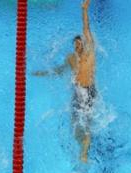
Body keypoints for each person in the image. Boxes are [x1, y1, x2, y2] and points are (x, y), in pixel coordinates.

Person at [33, 0, 96, 163]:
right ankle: (81, 145)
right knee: (75, 127)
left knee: (87, 125)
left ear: (84, 43)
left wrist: (84, 10)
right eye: (75, 44)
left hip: (88, 91)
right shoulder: (71, 58)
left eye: (79, 43)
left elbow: (86, 29)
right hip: (77, 93)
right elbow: (59, 71)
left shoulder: (89, 53)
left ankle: (84, 153)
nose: (77, 46)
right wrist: (42, 73)